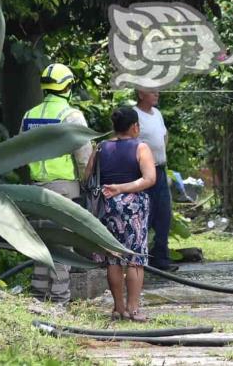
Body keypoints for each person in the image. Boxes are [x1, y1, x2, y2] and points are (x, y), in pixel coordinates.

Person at [20, 63, 92, 305]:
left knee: (40, 245)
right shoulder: (71, 115)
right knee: (61, 248)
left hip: (34, 191)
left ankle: (39, 298)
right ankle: (60, 301)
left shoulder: (29, 115)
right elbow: (84, 157)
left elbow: (20, 151)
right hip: (63, 190)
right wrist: (87, 184)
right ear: (68, 86)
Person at [88, 106, 156, 321]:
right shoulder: (141, 147)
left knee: (113, 259)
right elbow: (149, 179)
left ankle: (118, 308)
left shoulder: (100, 148)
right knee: (135, 258)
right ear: (135, 126)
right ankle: (134, 309)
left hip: (106, 206)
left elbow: (87, 175)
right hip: (133, 207)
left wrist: (111, 187)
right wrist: (123, 188)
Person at [133, 89, 175, 271]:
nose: (157, 94)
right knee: (144, 215)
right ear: (141, 94)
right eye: (152, 91)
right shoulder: (134, 114)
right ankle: (139, 259)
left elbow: (164, 136)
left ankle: (161, 259)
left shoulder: (157, 113)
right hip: (141, 171)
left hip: (160, 169)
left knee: (164, 215)